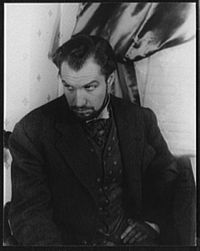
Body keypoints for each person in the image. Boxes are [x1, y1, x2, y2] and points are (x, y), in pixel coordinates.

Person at [8, 34, 179, 246]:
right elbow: (30, 214)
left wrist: (151, 222)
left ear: (110, 80)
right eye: (69, 87)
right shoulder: (31, 131)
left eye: (89, 87)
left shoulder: (139, 119)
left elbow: (165, 173)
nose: (78, 101)